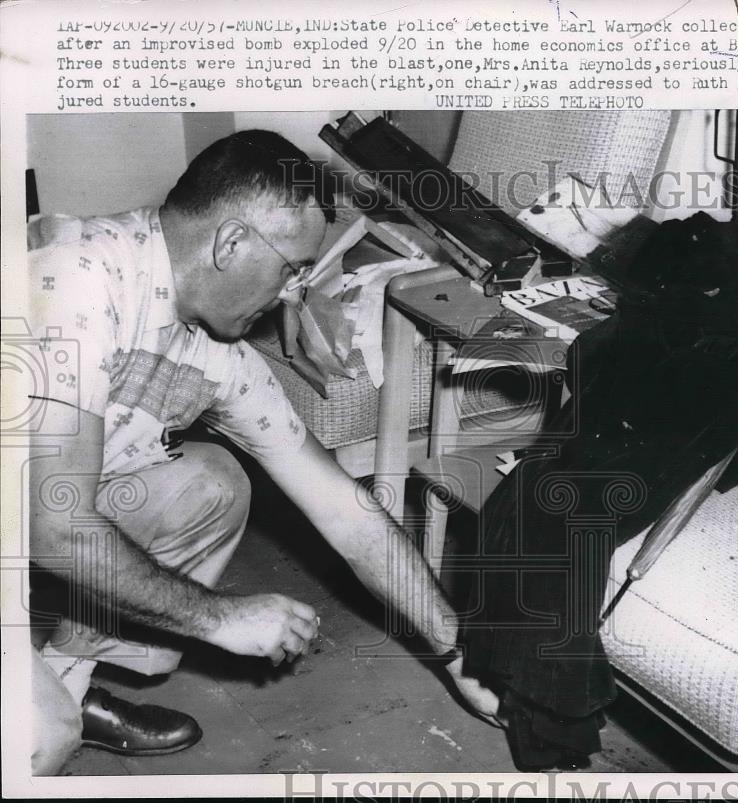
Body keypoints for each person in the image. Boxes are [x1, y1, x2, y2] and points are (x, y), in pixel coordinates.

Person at [27, 130, 499, 775]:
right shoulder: (75, 280)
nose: (290, 295)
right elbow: (54, 529)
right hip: (33, 519)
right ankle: (48, 714)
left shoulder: (218, 354)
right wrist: (217, 618)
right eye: (292, 268)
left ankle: (66, 685)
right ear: (230, 242)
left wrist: (457, 653)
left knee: (211, 483)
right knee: (33, 740)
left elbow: (349, 514)